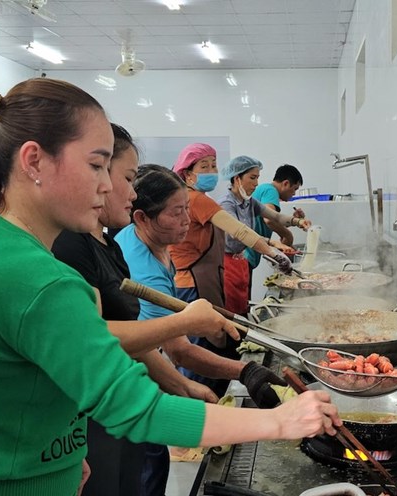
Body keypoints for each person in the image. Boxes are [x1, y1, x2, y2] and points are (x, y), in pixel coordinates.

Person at [0, 78, 340, 496]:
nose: (109, 185)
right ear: (34, 161)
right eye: (96, 165)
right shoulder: (33, 275)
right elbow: (138, 408)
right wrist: (283, 421)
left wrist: (58, 451)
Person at [53, 124, 273, 496]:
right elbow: (97, 340)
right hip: (98, 414)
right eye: (123, 177)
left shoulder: (110, 245)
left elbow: (135, 345)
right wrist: (271, 413)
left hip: (126, 399)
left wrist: (181, 385)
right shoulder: (68, 248)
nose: (126, 191)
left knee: (144, 472)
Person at [114, 163, 289, 496]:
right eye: (176, 213)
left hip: (139, 370)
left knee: (151, 458)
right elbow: (178, 349)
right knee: (148, 464)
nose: (186, 220)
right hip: (125, 383)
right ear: (142, 218)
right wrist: (246, 371)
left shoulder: (152, 243)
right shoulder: (144, 271)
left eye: (186, 210)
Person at [168, 143, 294, 394]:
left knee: (212, 343)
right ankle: (202, 405)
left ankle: (209, 399)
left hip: (201, 281)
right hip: (195, 284)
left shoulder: (193, 197)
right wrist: (272, 251)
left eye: (214, 165)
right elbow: (238, 230)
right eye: (204, 166)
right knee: (203, 349)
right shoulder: (197, 200)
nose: (212, 171)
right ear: (187, 173)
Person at [219, 156, 310, 316]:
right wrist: (273, 243)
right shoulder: (227, 204)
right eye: (252, 178)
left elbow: (275, 216)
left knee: (243, 306)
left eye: (257, 178)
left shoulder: (249, 202)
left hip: (241, 261)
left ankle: (241, 336)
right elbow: (239, 233)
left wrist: (298, 221)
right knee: (232, 312)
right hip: (228, 263)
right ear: (237, 178)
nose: (256, 184)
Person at [244, 163, 310, 271]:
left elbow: (271, 219)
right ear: (286, 183)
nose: (294, 193)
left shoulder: (265, 189)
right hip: (245, 255)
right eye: (294, 189)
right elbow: (269, 220)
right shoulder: (271, 191)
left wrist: (294, 222)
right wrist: (287, 235)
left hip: (246, 255)